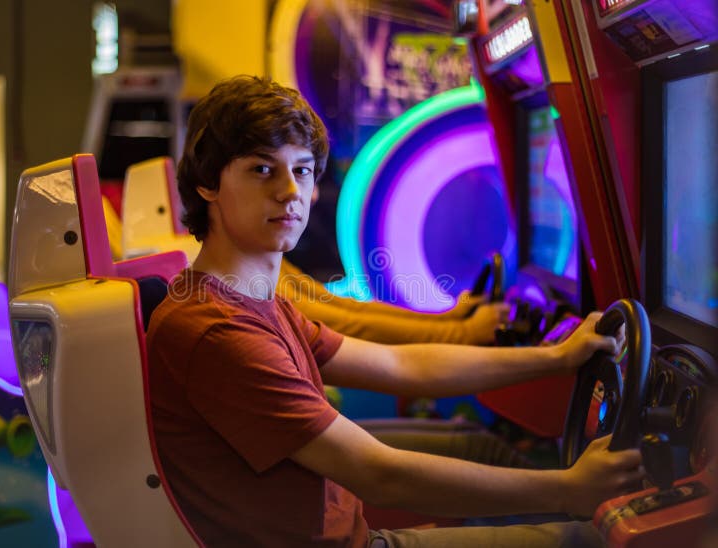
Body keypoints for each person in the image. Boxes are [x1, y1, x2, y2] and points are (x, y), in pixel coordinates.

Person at [147, 75, 643, 547]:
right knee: (593, 540)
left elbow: (402, 364)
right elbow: (378, 476)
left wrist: (557, 358)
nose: (290, 191)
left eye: (301, 170)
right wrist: (570, 488)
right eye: (262, 169)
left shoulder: (252, 300)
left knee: (491, 456)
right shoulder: (216, 328)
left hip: (342, 527)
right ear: (208, 184)